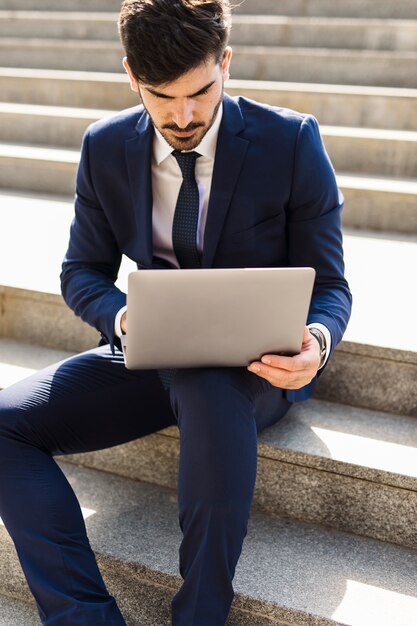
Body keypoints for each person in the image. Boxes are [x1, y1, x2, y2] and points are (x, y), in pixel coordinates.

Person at [0, 1, 352, 624]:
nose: (184, 116)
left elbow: (330, 284)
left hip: (258, 368)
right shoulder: (106, 146)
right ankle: (83, 617)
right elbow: (81, 272)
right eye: (163, 97)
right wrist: (126, 320)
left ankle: (201, 614)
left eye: (201, 91)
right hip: (150, 351)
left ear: (226, 62)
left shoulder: (290, 141)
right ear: (132, 75)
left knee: (207, 384)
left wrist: (317, 343)